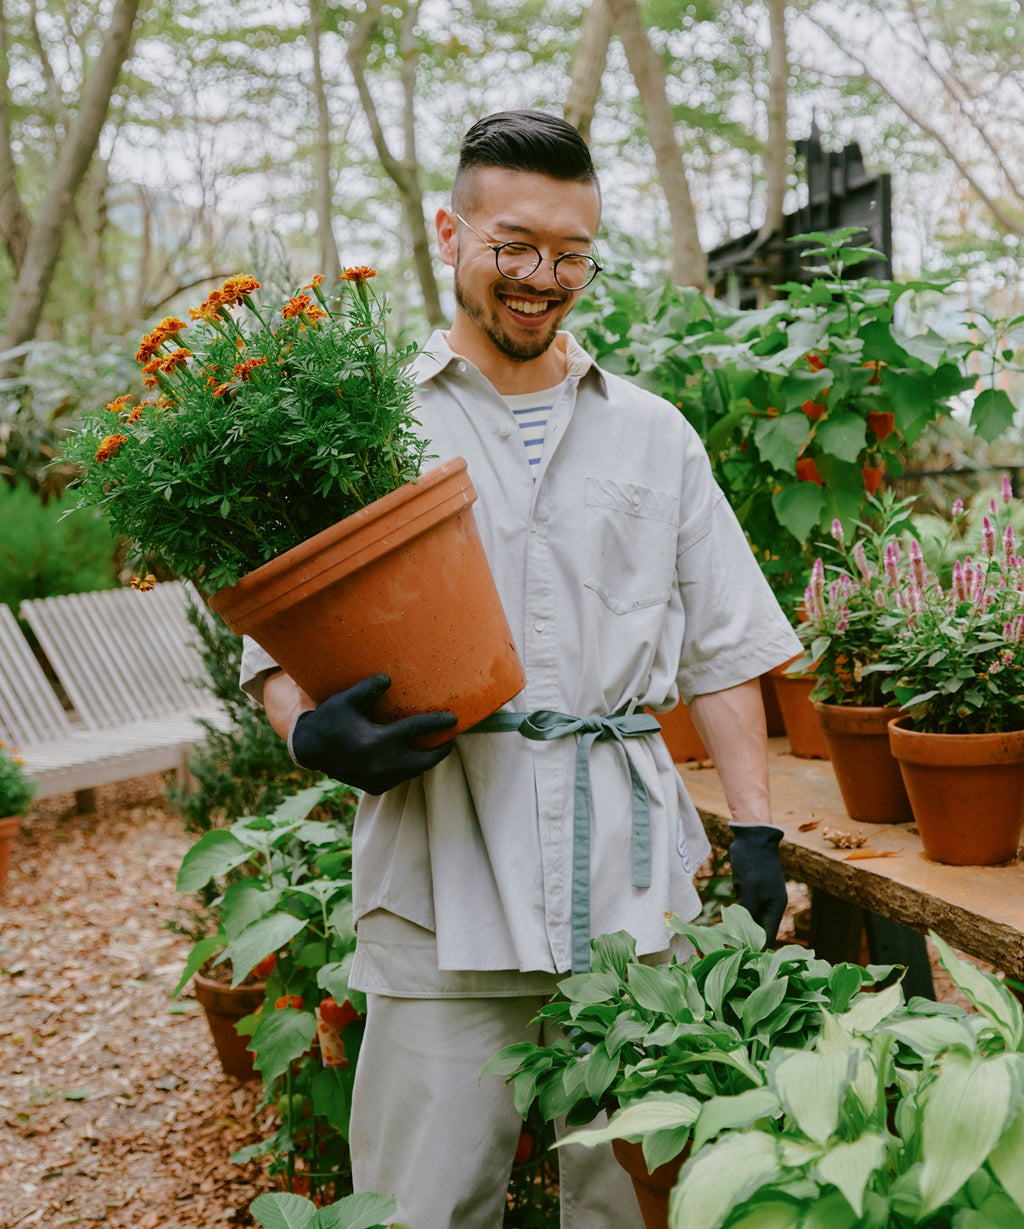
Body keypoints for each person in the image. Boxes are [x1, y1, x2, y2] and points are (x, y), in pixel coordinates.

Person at [241, 109, 802, 1229]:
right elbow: (275, 634)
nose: (542, 277)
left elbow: (725, 644)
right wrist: (305, 728)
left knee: (633, 1197)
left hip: (628, 884)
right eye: (514, 245)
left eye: (571, 253)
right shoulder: (368, 424)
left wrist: (754, 834)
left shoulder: (654, 433)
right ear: (451, 231)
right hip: (440, 858)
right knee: (421, 1200)